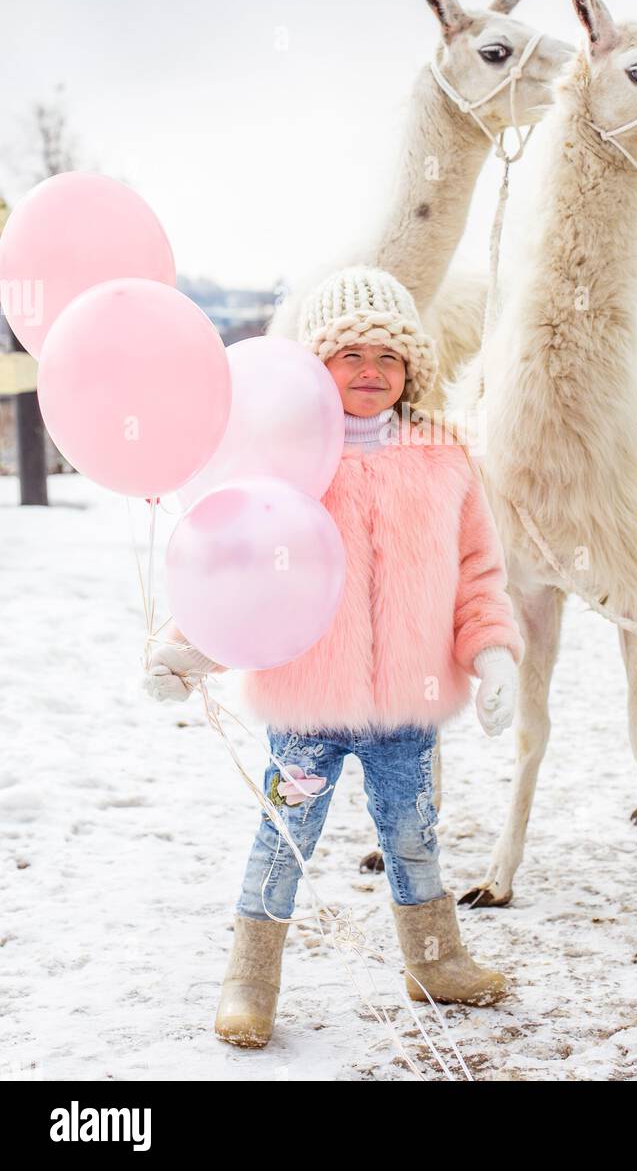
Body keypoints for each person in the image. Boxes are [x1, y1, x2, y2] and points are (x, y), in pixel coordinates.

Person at [145, 266, 525, 1048]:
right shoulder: (282, 460)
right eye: (348, 354)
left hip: (406, 711)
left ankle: (435, 960)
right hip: (306, 708)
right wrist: (188, 648)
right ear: (313, 367)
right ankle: (250, 980)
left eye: (389, 356)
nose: (370, 371)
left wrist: (493, 656)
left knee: (413, 836)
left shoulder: (444, 458)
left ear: (412, 367)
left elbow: (479, 577)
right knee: (284, 839)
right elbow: (239, 571)